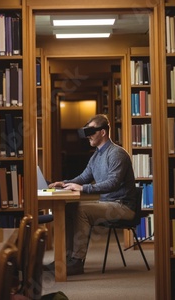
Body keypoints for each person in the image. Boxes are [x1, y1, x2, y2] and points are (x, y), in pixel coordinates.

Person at [49, 113, 136, 276]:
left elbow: (113, 183)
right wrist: (65, 183)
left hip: (122, 205)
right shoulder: (96, 155)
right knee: (69, 208)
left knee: (82, 210)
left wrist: (83, 188)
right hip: (107, 203)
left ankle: (77, 261)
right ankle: (65, 257)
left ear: (103, 132)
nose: (88, 136)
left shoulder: (117, 153)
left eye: (91, 132)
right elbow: (84, 177)